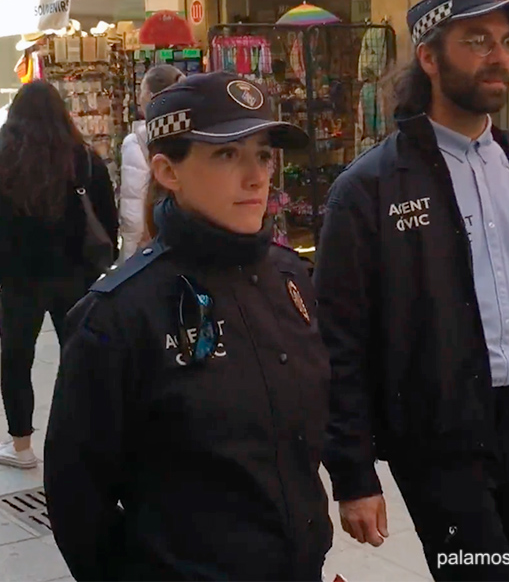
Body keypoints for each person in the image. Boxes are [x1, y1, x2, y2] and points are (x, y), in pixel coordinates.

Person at [313, 0, 509, 581]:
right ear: (429, 58)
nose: (498, 57)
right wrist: (352, 474)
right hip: (435, 431)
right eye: (477, 41)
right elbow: (338, 342)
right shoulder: (370, 188)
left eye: (506, 43)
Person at [43, 71, 333, 581]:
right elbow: (77, 497)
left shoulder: (290, 280)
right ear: (167, 171)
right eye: (227, 154)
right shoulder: (118, 315)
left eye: (263, 155)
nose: (256, 177)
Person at [0, 80, 118, 470]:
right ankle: (83, 441)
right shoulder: (84, 160)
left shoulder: (2, 160)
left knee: (16, 361)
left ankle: (21, 447)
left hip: (20, 282)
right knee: (78, 359)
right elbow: (106, 219)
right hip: (76, 278)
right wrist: (103, 263)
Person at [119, 64, 185, 261]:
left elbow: (133, 207)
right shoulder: (192, 136)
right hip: (187, 237)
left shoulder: (137, 142)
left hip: (154, 245)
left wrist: (128, 256)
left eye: (141, 90)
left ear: (149, 95)